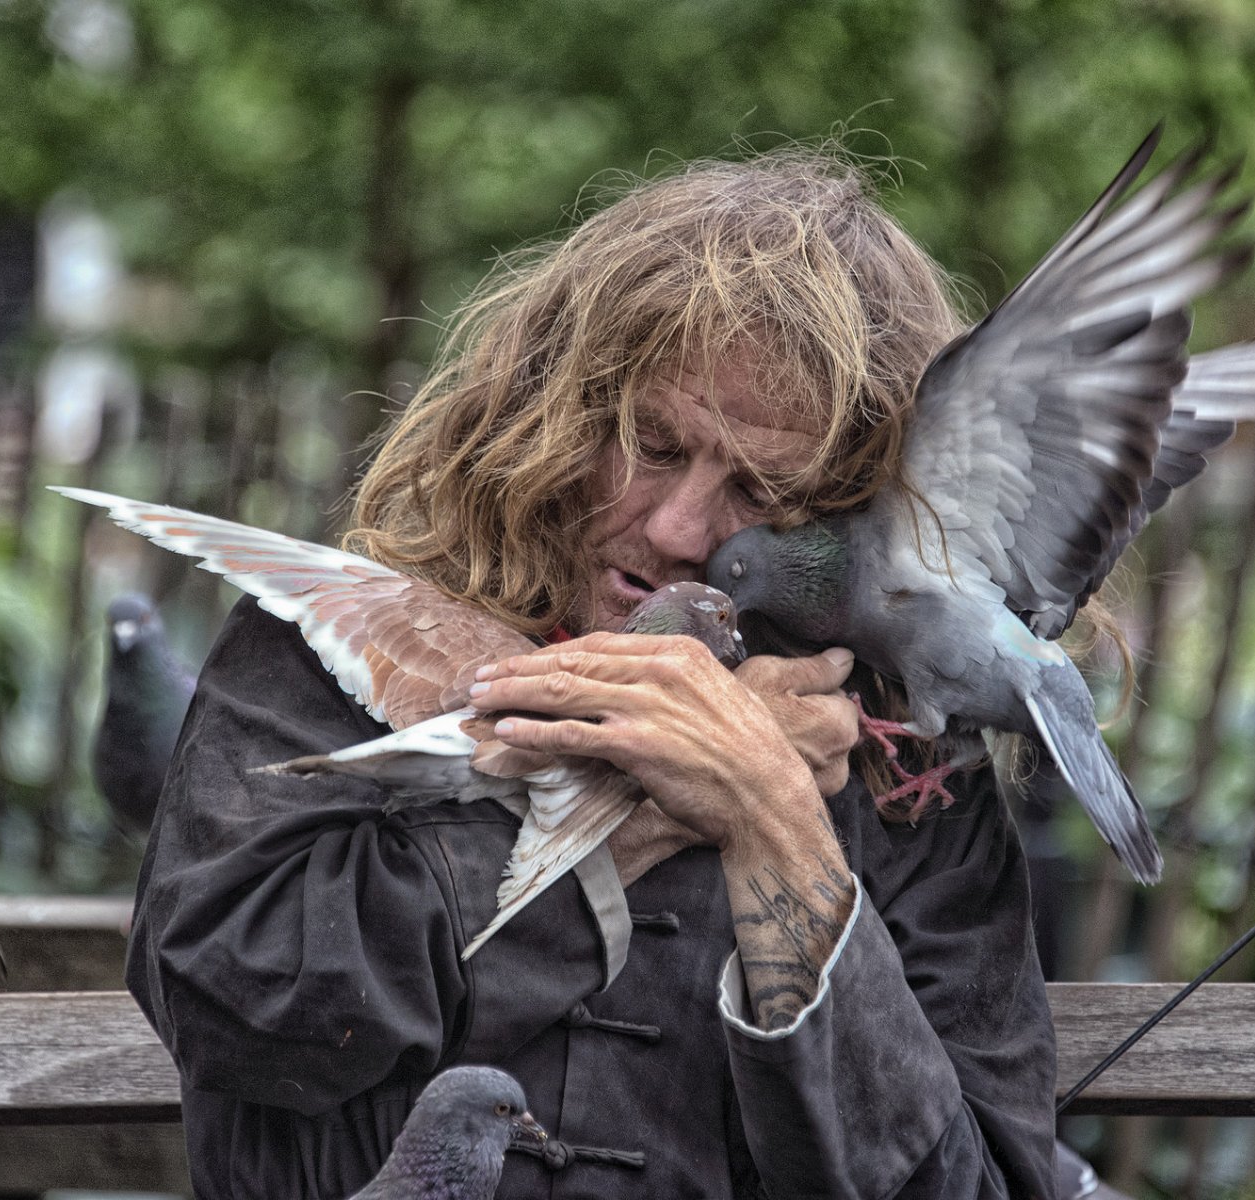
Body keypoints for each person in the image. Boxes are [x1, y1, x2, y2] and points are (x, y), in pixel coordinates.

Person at [126, 149, 1058, 1198]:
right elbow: (227, 1008)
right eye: (652, 444)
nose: (677, 529)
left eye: (759, 490)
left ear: (849, 519)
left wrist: (774, 825)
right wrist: (624, 813)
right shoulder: (336, 654)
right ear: (555, 412)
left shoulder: (903, 773)